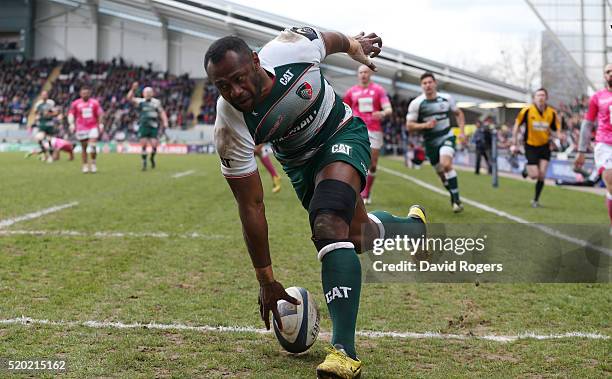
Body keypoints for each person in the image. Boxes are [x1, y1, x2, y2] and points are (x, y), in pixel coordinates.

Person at [205, 27, 426, 378]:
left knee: (328, 226)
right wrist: (266, 280)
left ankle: (344, 352)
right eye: (223, 86)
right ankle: (412, 229)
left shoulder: (292, 48)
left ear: (256, 62)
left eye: (239, 78)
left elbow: (330, 40)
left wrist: (355, 46)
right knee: (358, 235)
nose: (235, 91)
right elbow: (251, 205)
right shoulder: (229, 124)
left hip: (342, 133)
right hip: (301, 167)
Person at [406, 72, 466, 213]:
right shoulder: (416, 104)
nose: (427, 85)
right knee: (441, 174)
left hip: (446, 136)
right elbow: (409, 125)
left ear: (435, 83)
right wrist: (424, 126)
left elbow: (459, 113)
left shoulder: (446, 99)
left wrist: (462, 132)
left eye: (429, 82)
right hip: (430, 143)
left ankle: (456, 201)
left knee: (446, 164)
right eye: (424, 83)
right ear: (421, 86)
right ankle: (453, 195)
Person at [343, 65, 392, 204]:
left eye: (365, 72)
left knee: (373, 164)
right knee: (354, 160)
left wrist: (382, 113)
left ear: (370, 74)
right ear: (358, 75)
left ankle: (367, 192)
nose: (363, 74)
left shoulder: (378, 90)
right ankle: (360, 193)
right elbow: (345, 109)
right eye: (360, 72)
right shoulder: (351, 92)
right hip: (357, 129)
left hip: (374, 130)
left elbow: (388, 109)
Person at [511, 88, 561, 207]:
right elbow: (517, 125)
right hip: (531, 145)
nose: (541, 97)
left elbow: (557, 128)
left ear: (546, 98)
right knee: (534, 175)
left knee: (542, 174)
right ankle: (526, 168)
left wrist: (558, 136)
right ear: (534, 98)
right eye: (538, 95)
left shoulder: (552, 113)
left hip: (545, 146)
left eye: (543, 95)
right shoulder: (527, 111)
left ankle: (536, 200)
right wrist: (514, 141)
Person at [575, 63, 612, 226]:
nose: (611, 73)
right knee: (610, 179)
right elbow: (587, 124)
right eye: (608, 71)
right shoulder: (597, 97)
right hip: (605, 144)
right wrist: (581, 150)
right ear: (604, 76)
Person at [127, 82, 169, 171]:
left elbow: (161, 112)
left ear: (152, 93)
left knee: (154, 146)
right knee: (144, 145)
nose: (148, 94)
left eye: (149, 92)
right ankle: (144, 161)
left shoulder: (156, 102)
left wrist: (165, 121)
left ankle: (152, 158)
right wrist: (133, 89)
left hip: (153, 126)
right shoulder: (140, 101)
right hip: (143, 125)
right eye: (146, 92)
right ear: (143, 94)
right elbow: (129, 98)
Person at [68, 86, 104, 173]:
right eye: (83, 93)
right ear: (80, 94)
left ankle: (93, 164)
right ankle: (85, 165)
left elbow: (100, 114)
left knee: (92, 146)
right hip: (81, 127)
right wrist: (71, 124)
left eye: (87, 93)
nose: (85, 95)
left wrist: (101, 124)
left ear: (89, 94)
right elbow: (71, 114)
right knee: (84, 148)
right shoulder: (75, 103)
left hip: (93, 127)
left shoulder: (95, 103)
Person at [32, 90, 58, 162]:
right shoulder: (38, 104)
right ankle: (44, 154)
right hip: (42, 124)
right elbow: (35, 112)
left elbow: (56, 113)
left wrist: (49, 114)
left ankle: (50, 156)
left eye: (45, 95)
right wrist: (37, 116)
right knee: (39, 139)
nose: (44, 96)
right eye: (43, 95)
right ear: (41, 96)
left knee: (49, 141)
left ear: (47, 95)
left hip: (50, 124)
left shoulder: (51, 103)